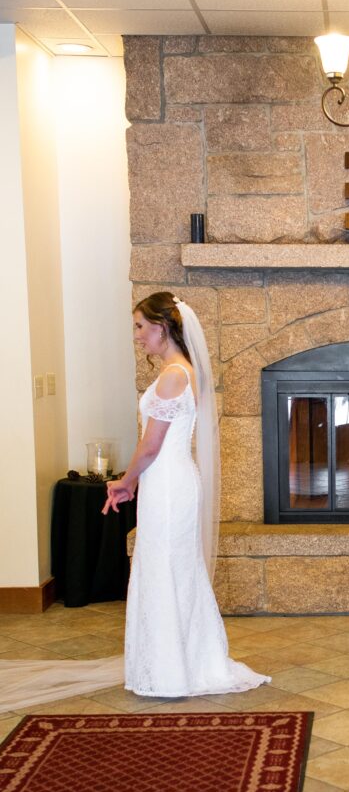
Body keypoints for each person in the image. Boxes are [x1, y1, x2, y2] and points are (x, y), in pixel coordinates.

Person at [103, 292, 270, 698]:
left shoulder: (173, 374)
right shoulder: (185, 370)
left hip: (168, 484)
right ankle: (179, 660)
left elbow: (150, 445)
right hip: (170, 481)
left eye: (140, 327)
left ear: (162, 327)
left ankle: (171, 669)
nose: (138, 336)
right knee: (174, 567)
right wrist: (137, 481)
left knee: (165, 567)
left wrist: (126, 481)